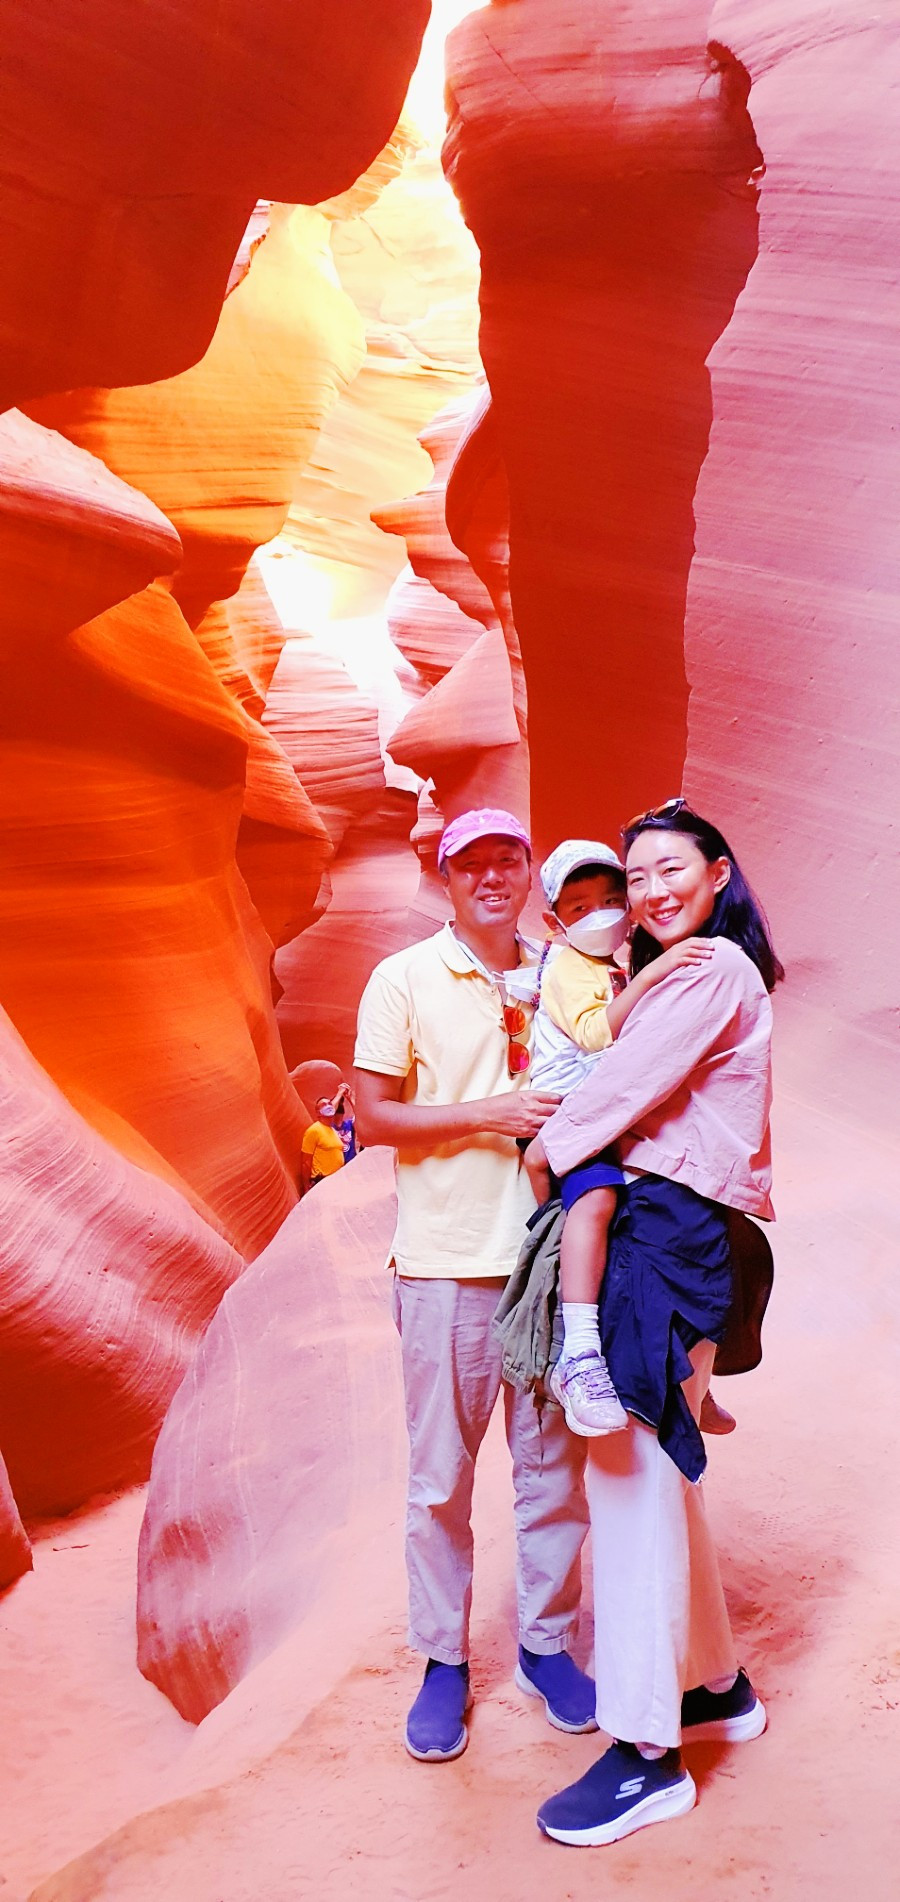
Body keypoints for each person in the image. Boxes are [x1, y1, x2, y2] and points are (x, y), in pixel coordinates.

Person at [526, 798, 782, 1847]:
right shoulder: (686, 970)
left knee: (627, 1478)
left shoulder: (709, 969)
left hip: (667, 1232)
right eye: (636, 878)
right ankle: (715, 1687)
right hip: (681, 1230)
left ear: (718, 872)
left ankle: (646, 1754)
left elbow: (623, 1087)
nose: (650, 891)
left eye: (671, 867)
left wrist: (545, 1153)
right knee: (659, 1472)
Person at [354, 807, 595, 1764]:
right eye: (472, 865)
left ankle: (546, 1646)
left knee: (553, 1473)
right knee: (439, 1480)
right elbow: (374, 1117)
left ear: (530, 873)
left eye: (508, 861)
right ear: (447, 879)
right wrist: (491, 1112)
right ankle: (443, 1662)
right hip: (446, 1264)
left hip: (549, 1264)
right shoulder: (403, 978)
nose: (492, 878)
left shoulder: (565, 972)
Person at [529, 839, 714, 1435]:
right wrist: (656, 972)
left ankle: (690, 1372)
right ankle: (579, 1352)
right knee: (598, 1200)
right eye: (580, 907)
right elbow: (594, 1034)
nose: (601, 914)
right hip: (569, 1112)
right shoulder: (567, 966)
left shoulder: (618, 960)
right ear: (554, 921)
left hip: (610, 1110)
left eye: (611, 899)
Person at [299, 1096, 345, 1194]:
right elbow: (306, 1162)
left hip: (336, 1181)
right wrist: (306, 1188)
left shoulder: (333, 1131)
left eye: (330, 1103)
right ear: (318, 1113)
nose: (328, 1106)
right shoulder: (314, 1130)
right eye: (324, 1104)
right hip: (322, 1181)